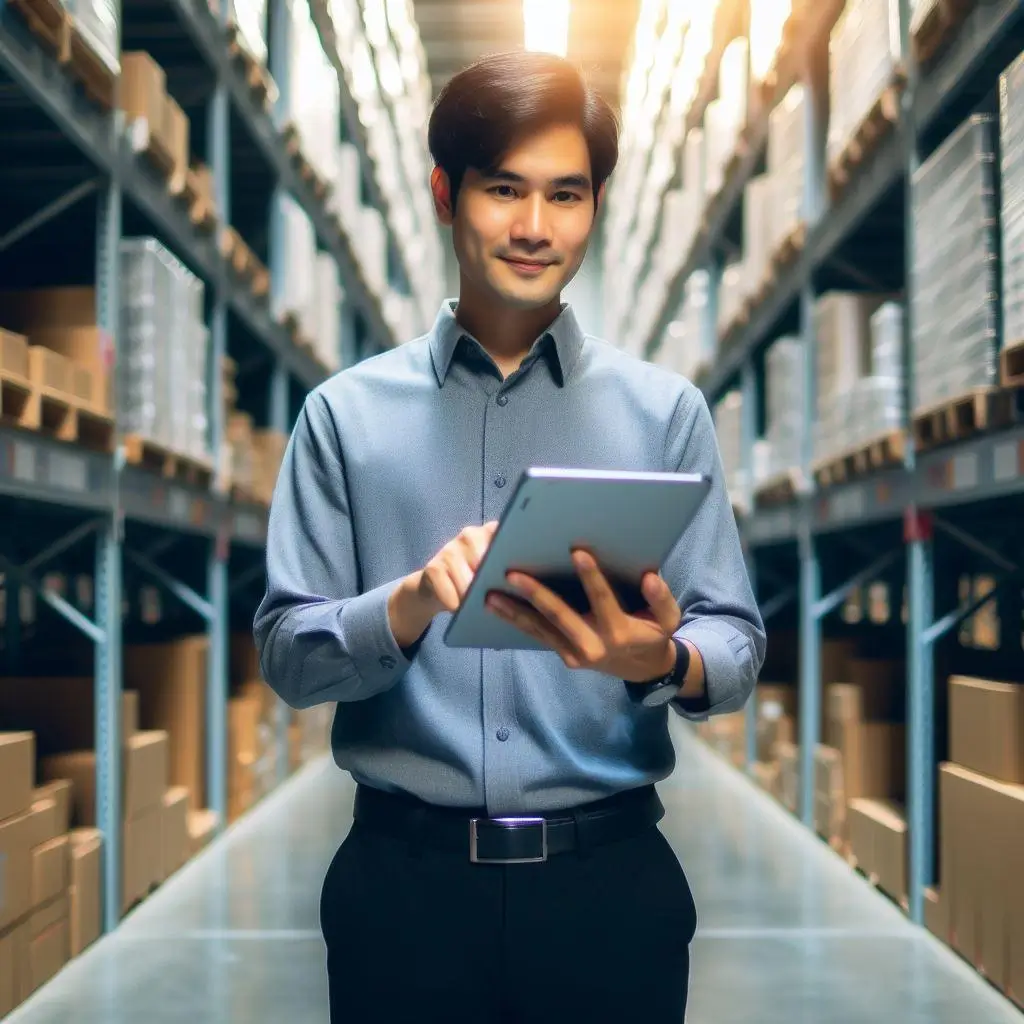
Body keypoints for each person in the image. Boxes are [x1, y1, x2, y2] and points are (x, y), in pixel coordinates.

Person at [254, 49, 765, 1024]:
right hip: (402, 895)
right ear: (446, 192)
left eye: (566, 195)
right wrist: (402, 607)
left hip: (608, 891)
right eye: (504, 190)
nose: (536, 227)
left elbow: (733, 642)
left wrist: (658, 655)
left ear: (597, 205)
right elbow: (289, 654)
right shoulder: (342, 416)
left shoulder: (666, 415)